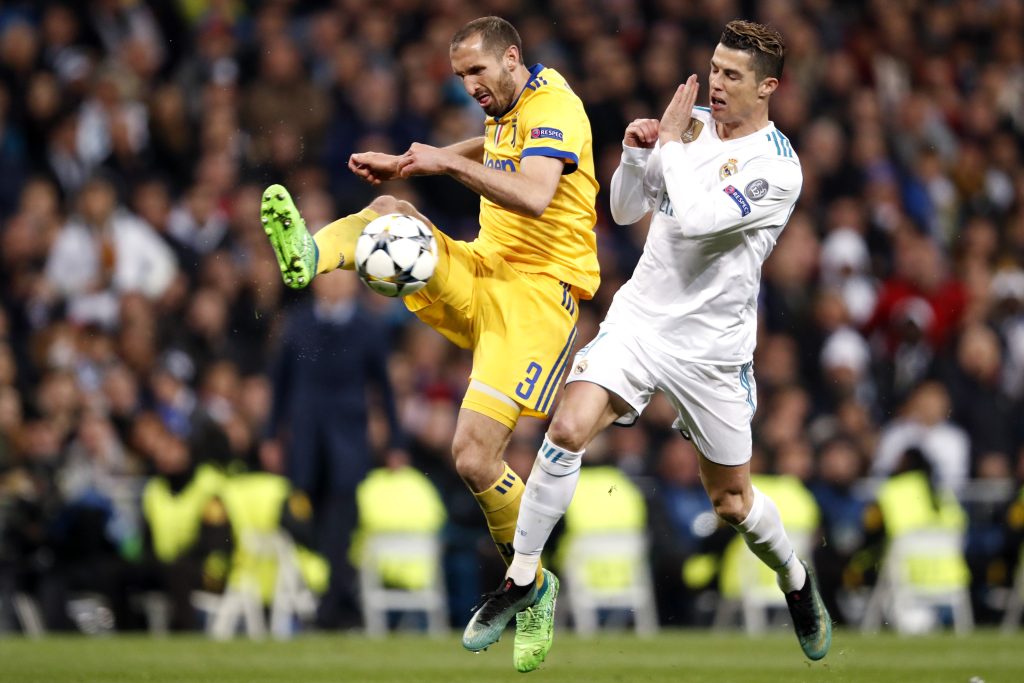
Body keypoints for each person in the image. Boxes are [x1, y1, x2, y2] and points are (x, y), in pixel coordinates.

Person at [470, 20, 832, 661]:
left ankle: (796, 580)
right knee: (566, 429)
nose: (716, 84)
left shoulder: (777, 168)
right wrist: (637, 155)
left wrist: (666, 141)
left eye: (732, 76)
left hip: (712, 350)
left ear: (767, 87)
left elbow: (697, 218)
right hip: (640, 322)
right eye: (714, 69)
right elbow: (624, 210)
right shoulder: (688, 126)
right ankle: (522, 578)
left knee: (732, 502)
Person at [259, 16, 598, 672]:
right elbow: (494, 145)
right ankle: (310, 256)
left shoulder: (556, 105)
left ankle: (531, 586)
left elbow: (534, 194)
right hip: (485, 269)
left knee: (472, 456)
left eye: (477, 71)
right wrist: (414, 162)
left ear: (512, 57)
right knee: (391, 210)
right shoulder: (512, 108)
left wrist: (443, 162)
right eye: (460, 76)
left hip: (537, 299)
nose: (469, 86)